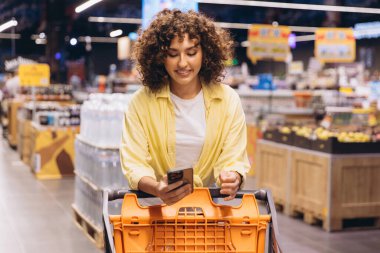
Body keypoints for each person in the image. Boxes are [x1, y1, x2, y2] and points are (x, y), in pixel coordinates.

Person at [120, 9, 250, 205]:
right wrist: (157, 188)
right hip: (156, 212)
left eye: (191, 53)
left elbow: (233, 157)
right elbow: (134, 163)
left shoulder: (227, 100)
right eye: (172, 54)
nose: (183, 63)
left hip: (207, 214)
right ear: (159, 57)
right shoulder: (141, 103)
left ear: (205, 53)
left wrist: (233, 177)